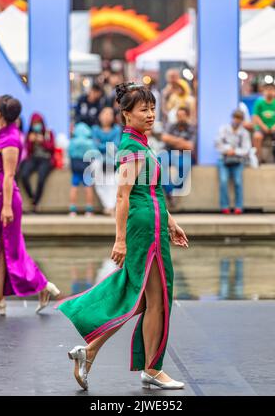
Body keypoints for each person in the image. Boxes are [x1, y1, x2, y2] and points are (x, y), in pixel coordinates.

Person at [56, 82, 188, 391]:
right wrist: (120, 239)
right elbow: (122, 197)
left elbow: (152, 192)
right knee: (157, 300)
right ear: (126, 114)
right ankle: (153, 369)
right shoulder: (131, 147)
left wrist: (171, 223)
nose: (151, 114)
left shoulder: (141, 144)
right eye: (144, 109)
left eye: (153, 108)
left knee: (140, 301)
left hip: (155, 224)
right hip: (143, 230)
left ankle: (89, 352)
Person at [0, 95, 60, 316]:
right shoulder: (4, 135)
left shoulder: (10, 139)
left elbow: (9, 176)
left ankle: (34, 287)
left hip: (4, 200)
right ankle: (0, 297)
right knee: (1, 249)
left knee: (7, 250)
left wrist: (6, 207)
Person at [215, 109, 252, 214]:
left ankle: (238, 207)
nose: (236, 120)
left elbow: (246, 149)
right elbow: (217, 144)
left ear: (242, 120)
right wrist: (227, 150)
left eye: (239, 118)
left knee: (238, 182)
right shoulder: (223, 129)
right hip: (224, 159)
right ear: (232, 118)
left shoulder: (244, 133)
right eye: (235, 117)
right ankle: (224, 206)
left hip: (238, 160)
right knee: (223, 180)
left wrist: (234, 151)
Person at [158, 107, 196, 208]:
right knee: (158, 160)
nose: (180, 118)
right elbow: (164, 137)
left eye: (183, 116)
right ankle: (169, 191)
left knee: (183, 165)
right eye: (178, 116)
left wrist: (173, 141)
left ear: (187, 116)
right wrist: (181, 142)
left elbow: (190, 146)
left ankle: (173, 190)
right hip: (169, 153)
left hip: (185, 154)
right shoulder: (171, 126)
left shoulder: (191, 128)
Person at [19, 113, 55, 212]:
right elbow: (28, 150)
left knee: (41, 177)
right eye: (34, 123)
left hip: (45, 159)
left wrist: (42, 141)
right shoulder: (29, 134)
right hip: (33, 158)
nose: (36, 125)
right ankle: (32, 198)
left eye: (38, 123)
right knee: (24, 175)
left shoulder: (48, 133)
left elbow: (52, 148)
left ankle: (36, 202)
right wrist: (31, 141)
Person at [92, 107, 122, 216]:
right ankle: (107, 206)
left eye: (109, 114)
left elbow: (115, 146)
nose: (106, 116)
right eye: (104, 113)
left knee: (114, 181)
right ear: (99, 115)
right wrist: (106, 146)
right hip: (98, 161)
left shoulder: (117, 129)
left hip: (112, 160)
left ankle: (111, 206)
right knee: (99, 181)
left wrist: (102, 145)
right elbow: (94, 146)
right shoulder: (95, 129)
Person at [252, 83, 275, 164]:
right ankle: (258, 159)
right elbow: (256, 117)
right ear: (263, 91)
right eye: (267, 89)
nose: (269, 92)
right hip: (261, 128)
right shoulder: (259, 103)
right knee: (257, 137)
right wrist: (263, 127)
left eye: (271, 89)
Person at [68, 122, 96, 216]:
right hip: (86, 167)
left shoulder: (72, 141)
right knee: (88, 187)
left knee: (74, 186)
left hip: (75, 167)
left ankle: (72, 209)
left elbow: (69, 153)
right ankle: (89, 209)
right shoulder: (90, 143)